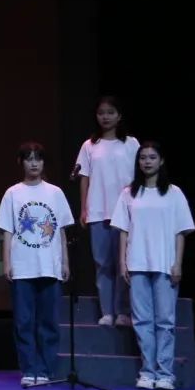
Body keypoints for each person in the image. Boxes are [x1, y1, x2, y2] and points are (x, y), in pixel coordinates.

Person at [111, 141, 194, 390]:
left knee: (165, 321)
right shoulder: (129, 193)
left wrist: (178, 263)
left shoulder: (174, 193)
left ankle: (165, 373)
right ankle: (148, 371)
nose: (147, 162)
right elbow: (123, 230)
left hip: (165, 264)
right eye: (143, 158)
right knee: (142, 320)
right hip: (137, 264)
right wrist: (123, 261)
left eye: (152, 157)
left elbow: (181, 231)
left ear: (161, 161)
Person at [0, 142, 74, 387]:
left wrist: (65, 262)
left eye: (38, 159)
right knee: (24, 321)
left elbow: (61, 230)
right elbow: (7, 231)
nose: (34, 163)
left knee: (48, 322)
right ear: (21, 163)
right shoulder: (12, 193)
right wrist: (7, 263)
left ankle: (46, 370)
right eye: (29, 159)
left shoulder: (55, 193)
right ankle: (29, 370)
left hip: (49, 265)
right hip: (23, 266)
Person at [75, 95, 138, 326]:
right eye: (101, 113)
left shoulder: (131, 143)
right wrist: (84, 209)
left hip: (125, 212)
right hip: (98, 211)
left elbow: (140, 175)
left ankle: (122, 311)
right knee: (103, 264)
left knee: (124, 263)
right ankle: (107, 312)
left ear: (119, 116)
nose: (106, 117)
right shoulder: (89, 145)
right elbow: (84, 178)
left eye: (111, 112)